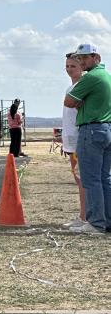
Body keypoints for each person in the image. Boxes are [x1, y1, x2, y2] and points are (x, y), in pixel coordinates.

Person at [64, 43, 111, 235]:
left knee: (90, 179)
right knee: (104, 178)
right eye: (79, 58)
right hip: (106, 128)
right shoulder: (106, 76)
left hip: (91, 129)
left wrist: (80, 102)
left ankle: (96, 222)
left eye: (84, 58)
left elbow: (68, 100)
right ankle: (106, 220)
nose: (82, 61)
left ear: (95, 57)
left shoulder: (90, 77)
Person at [61, 52, 86, 229]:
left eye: (73, 66)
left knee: (83, 180)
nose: (70, 70)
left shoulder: (82, 88)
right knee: (78, 179)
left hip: (79, 140)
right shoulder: (70, 89)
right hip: (70, 140)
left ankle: (85, 216)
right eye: (67, 66)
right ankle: (83, 215)